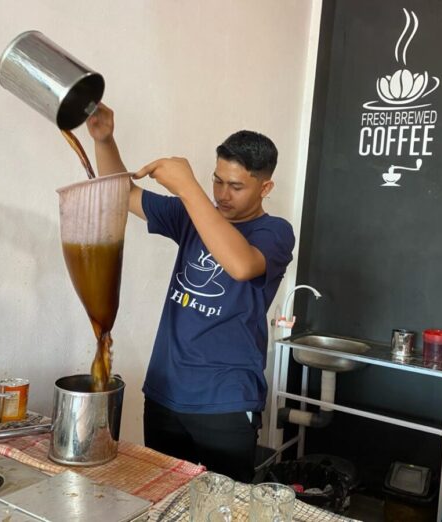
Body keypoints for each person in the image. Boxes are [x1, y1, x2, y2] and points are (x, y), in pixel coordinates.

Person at [86, 104, 295, 482]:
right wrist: (104, 140)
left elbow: (241, 264)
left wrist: (187, 187)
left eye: (236, 186)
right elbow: (122, 194)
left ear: (265, 188)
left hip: (225, 401)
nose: (223, 194)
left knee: (225, 504)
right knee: (162, 498)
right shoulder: (192, 215)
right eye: (217, 181)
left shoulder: (274, 232)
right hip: (165, 392)